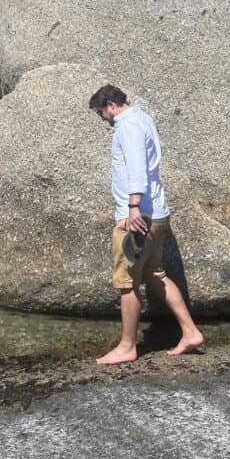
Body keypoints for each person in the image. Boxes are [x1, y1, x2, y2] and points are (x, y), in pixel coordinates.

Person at [89, 83, 204, 365]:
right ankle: (190, 331)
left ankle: (128, 346)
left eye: (102, 114)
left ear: (110, 105)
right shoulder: (143, 118)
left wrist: (133, 208)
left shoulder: (127, 125)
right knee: (155, 274)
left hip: (139, 218)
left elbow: (137, 168)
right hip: (158, 214)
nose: (105, 119)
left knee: (126, 282)